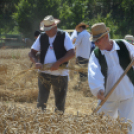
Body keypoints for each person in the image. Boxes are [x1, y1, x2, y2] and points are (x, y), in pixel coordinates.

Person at [88, 22, 134, 133]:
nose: (96, 43)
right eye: (95, 41)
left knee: (128, 127)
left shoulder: (123, 45)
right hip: (108, 96)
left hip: (128, 95)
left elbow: (133, 53)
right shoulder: (96, 55)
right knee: (102, 126)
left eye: (98, 40)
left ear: (106, 37)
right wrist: (98, 89)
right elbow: (94, 73)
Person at [28, 15, 75, 113]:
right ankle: (40, 121)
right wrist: (36, 62)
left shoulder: (64, 35)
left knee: (60, 103)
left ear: (55, 27)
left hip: (60, 75)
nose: (47, 32)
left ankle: (58, 123)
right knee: (41, 102)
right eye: (46, 30)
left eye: (49, 29)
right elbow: (31, 53)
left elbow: (71, 53)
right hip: (43, 74)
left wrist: (58, 63)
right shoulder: (42, 37)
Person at [74, 22, 92, 91]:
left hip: (80, 55)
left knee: (81, 71)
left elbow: (76, 44)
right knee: (85, 71)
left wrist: (74, 53)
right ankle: (85, 87)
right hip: (87, 55)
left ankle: (81, 87)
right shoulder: (88, 35)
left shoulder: (81, 34)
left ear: (81, 28)